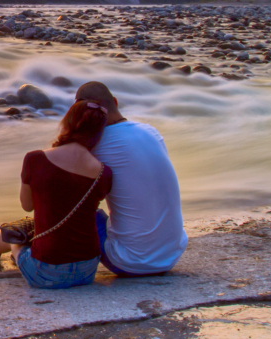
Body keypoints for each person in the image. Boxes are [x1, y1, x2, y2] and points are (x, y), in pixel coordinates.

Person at [0, 100, 112, 289]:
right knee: (34, 230)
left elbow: (27, 205)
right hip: (87, 269)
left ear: (67, 123)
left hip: (46, 272)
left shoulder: (35, 159)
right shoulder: (104, 173)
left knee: (17, 237)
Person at [75, 81, 187, 276]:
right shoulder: (152, 132)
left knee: (79, 209)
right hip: (171, 255)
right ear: (115, 102)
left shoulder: (95, 144)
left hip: (129, 262)